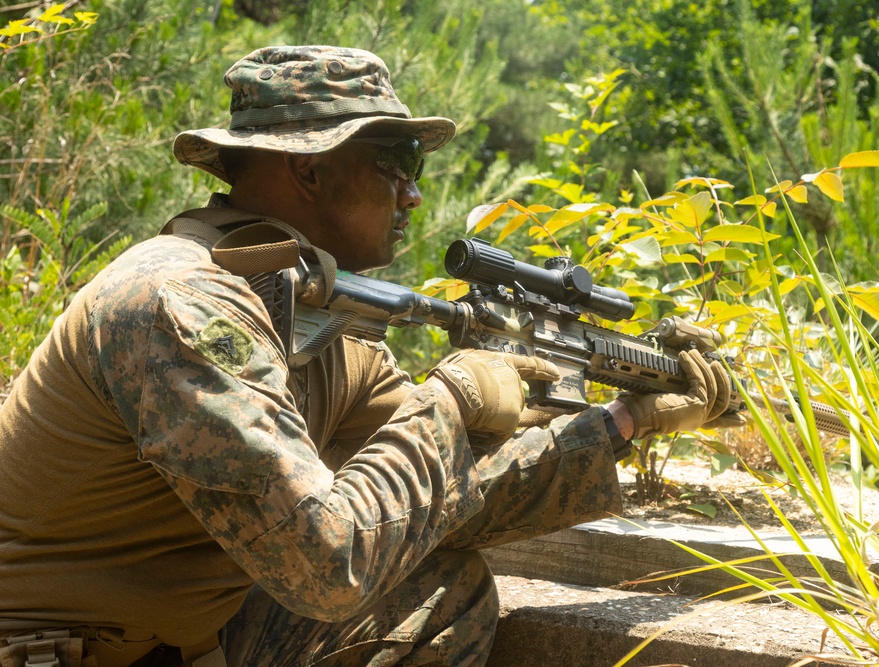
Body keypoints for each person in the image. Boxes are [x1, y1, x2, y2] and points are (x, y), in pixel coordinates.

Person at [0, 46, 737, 667]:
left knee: (439, 588)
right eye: (396, 160)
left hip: (174, 640)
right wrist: (449, 400)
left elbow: (434, 504)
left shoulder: (315, 320)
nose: (413, 195)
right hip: (52, 649)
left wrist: (624, 421)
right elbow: (326, 563)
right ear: (309, 170)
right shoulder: (181, 304)